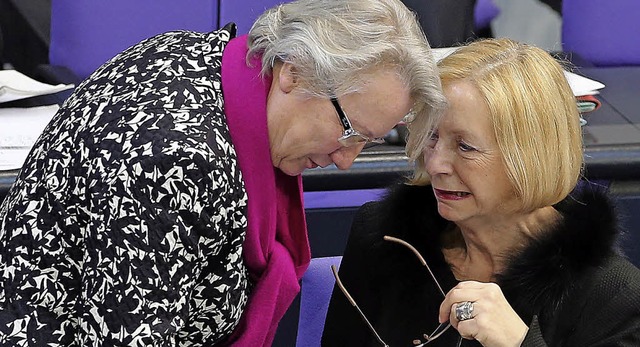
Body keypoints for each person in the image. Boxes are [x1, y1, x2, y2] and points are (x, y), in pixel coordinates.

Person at [0, 0, 445, 345]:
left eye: (366, 141)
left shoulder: (208, 56)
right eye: (349, 131)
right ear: (294, 72)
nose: (347, 160)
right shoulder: (177, 162)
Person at [322, 38, 640, 346]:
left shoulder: (614, 298)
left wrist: (520, 343)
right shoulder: (384, 238)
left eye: (465, 146)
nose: (436, 164)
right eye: (431, 137)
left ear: (531, 157)